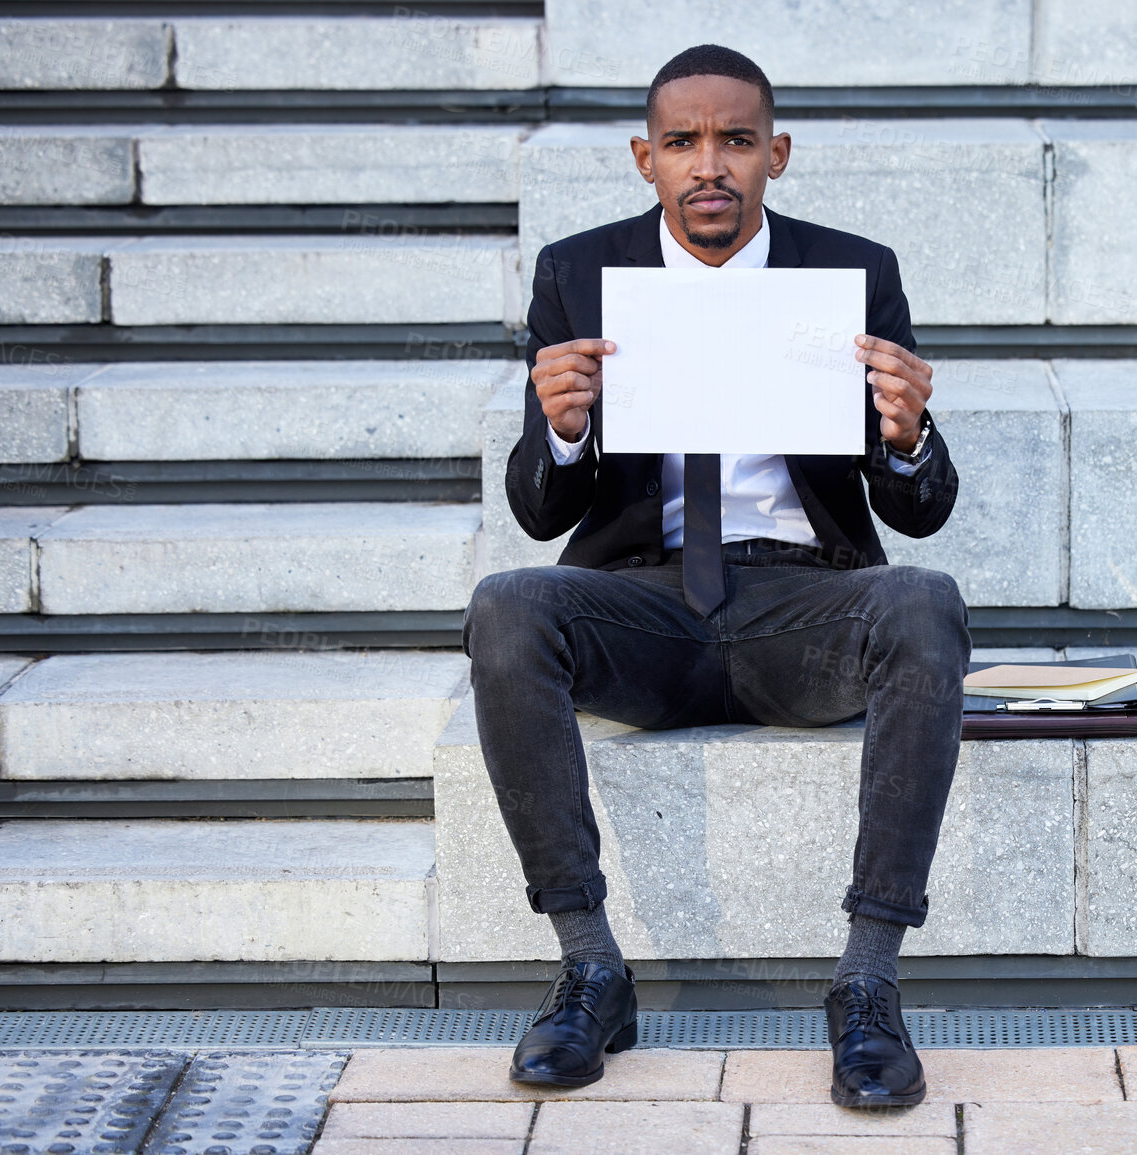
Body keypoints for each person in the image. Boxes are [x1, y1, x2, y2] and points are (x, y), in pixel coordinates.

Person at [462, 43, 970, 1108]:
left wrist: (909, 434)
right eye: (684, 142)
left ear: (775, 154)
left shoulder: (852, 272)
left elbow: (918, 510)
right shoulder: (578, 272)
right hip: (641, 603)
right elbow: (539, 511)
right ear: (644, 158)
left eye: (736, 140)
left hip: (802, 601)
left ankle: (867, 986)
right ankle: (590, 966)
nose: (710, 165)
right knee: (510, 602)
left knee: (923, 600)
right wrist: (560, 434)